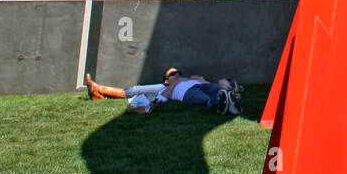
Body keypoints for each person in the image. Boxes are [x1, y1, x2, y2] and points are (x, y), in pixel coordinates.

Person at [85, 68, 243, 115]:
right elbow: (161, 97)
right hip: (187, 92)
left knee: (216, 90)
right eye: (173, 74)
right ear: (167, 80)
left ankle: (228, 101)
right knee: (136, 90)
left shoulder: (193, 77)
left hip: (201, 85)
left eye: (179, 72)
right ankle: (99, 89)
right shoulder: (167, 86)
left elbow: (216, 83)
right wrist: (171, 87)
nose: (177, 75)